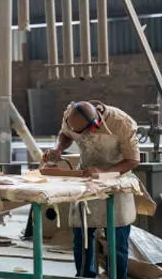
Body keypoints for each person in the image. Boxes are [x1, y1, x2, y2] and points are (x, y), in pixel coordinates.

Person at [42, 101, 140, 279]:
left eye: (83, 132)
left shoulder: (121, 122)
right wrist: (58, 148)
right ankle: (84, 275)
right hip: (86, 179)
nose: (80, 136)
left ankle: (116, 276)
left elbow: (133, 160)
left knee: (117, 241)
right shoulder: (72, 115)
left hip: (116, 179)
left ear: (95, 124)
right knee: (82, 238)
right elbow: (65, 134)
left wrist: (104, 172)